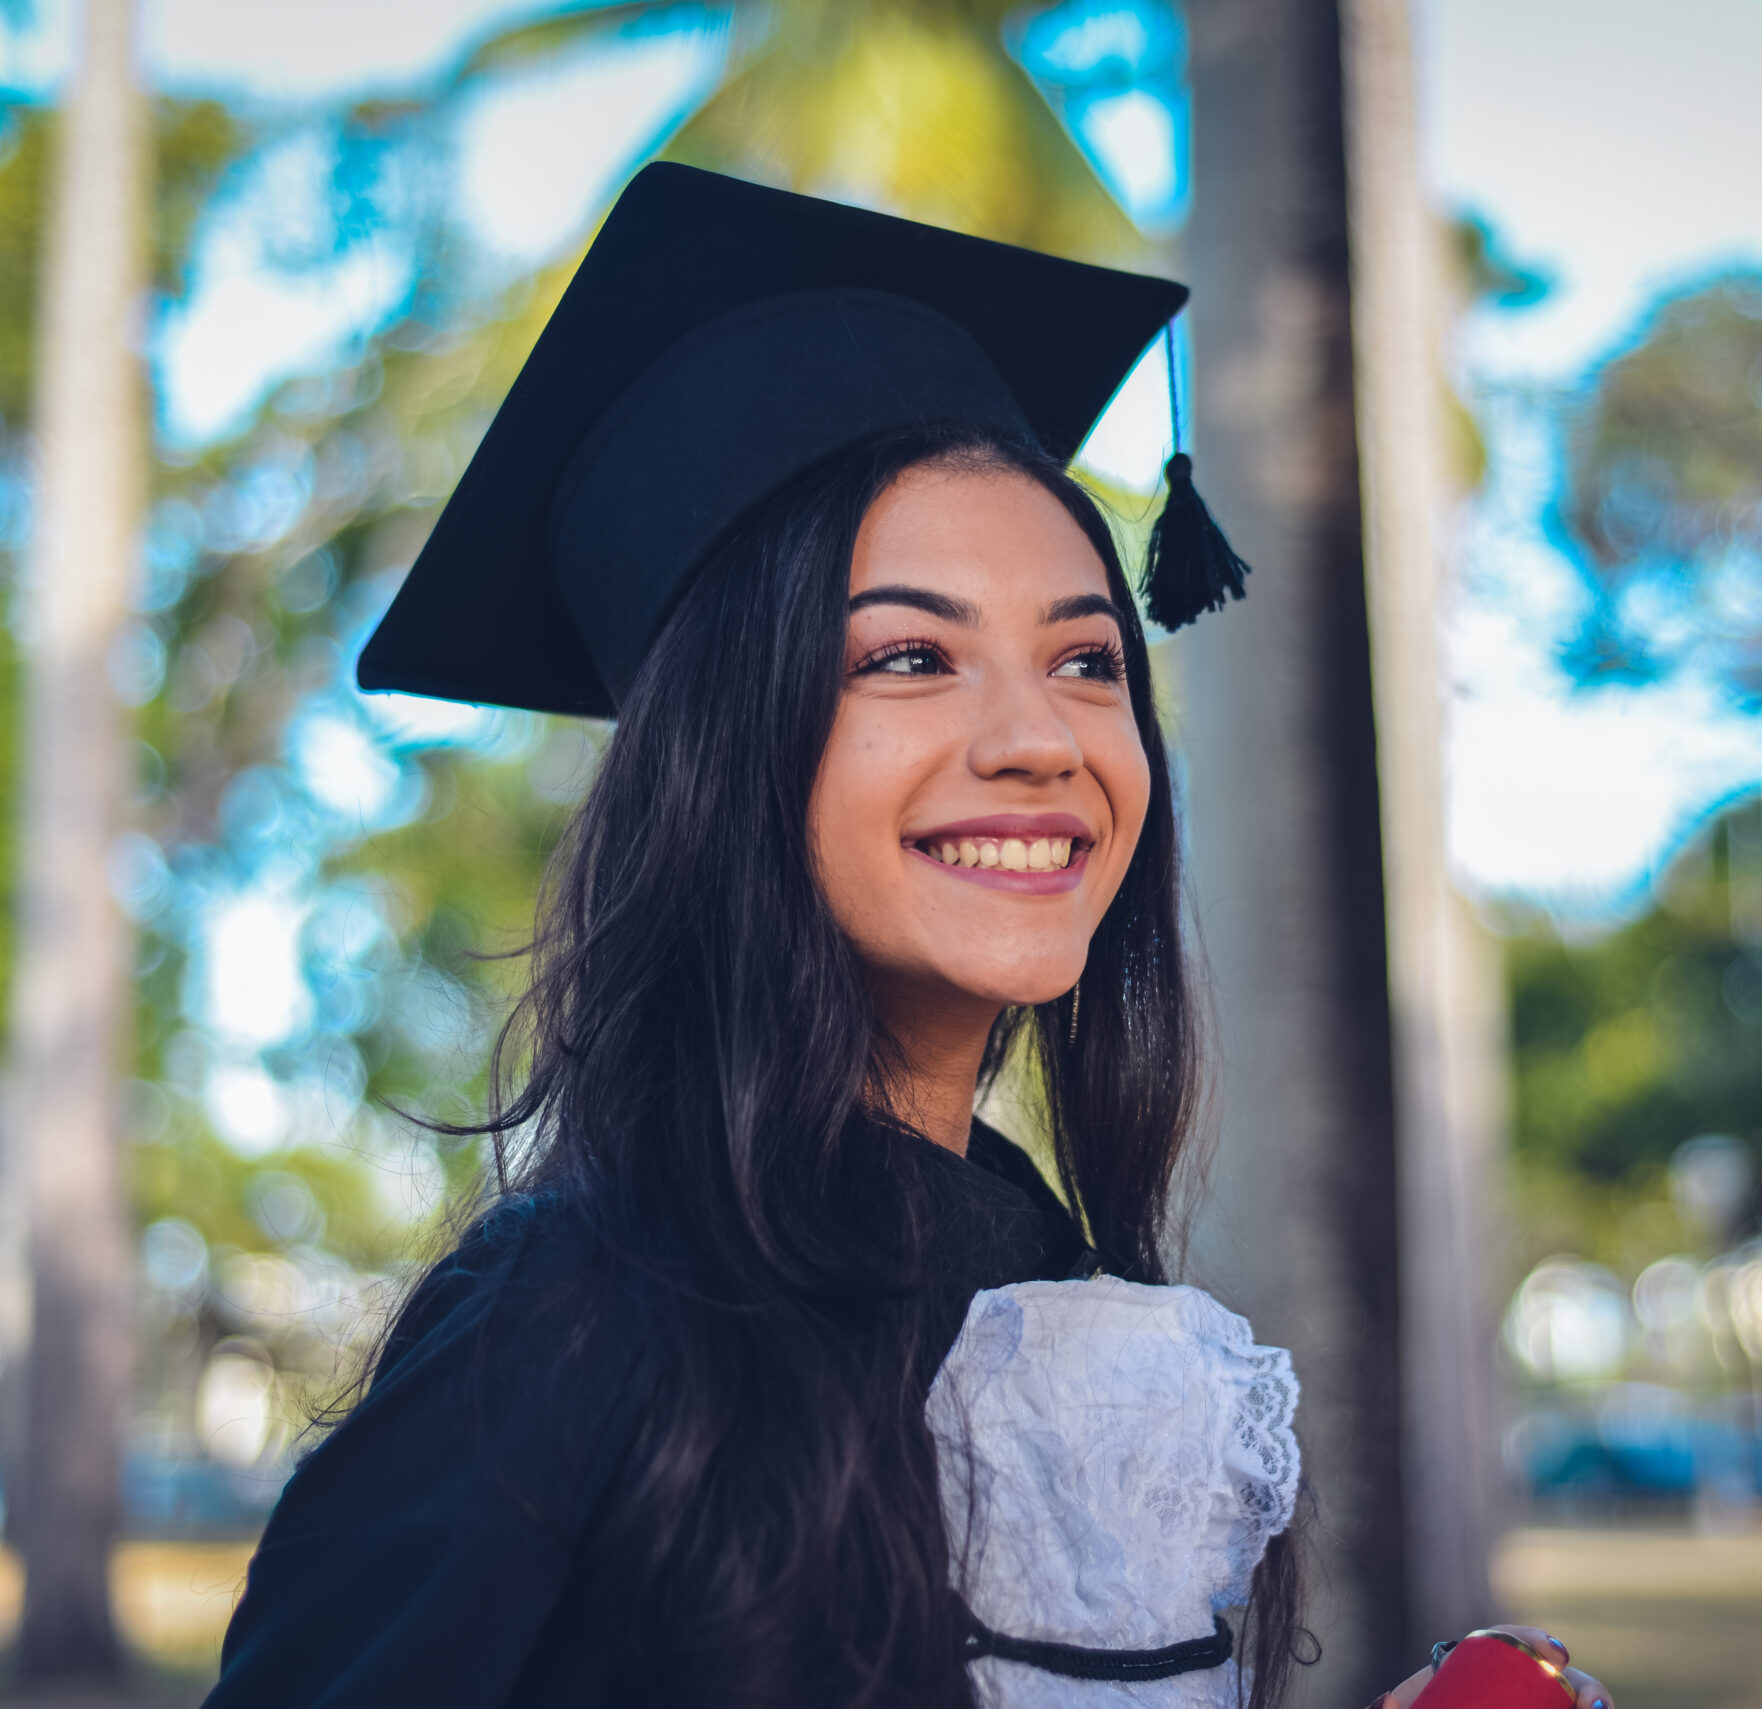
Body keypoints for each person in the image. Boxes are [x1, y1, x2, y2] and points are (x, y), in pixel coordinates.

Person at [203, 163, 1611, 1709]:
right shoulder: (574, 1316)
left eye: (1087, 659)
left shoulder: (1057, 1286)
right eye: (910, 655)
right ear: (726, 752)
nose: (1039, 738)